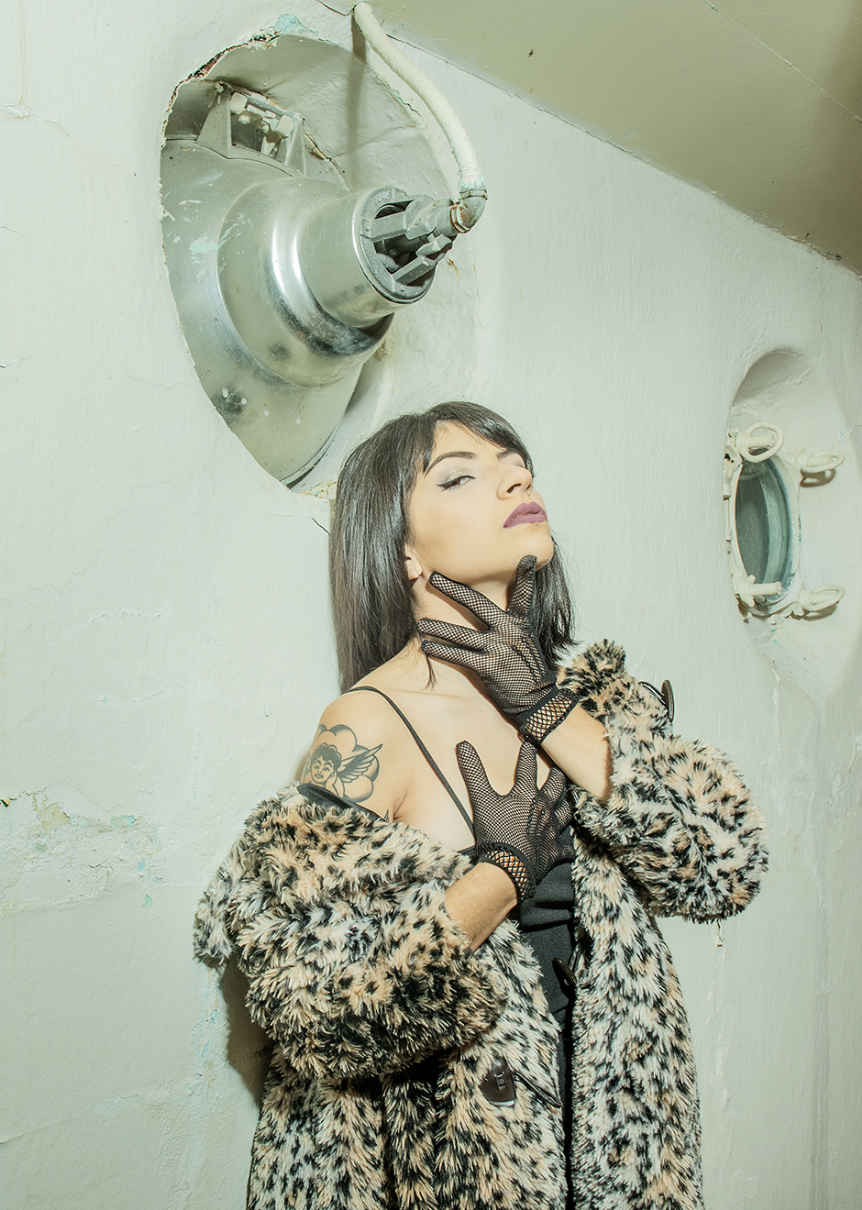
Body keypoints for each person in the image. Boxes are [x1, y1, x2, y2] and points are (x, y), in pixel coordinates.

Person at [194, 402, 767, 1210]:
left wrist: (543, 706)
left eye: (516, 465)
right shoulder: (368, 725)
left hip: (629, 1174)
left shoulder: (594, 705)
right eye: (461, 475)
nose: (515, 478)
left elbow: (726, 866)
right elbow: (315, 1007)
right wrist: (502, 872)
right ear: (401, 553)